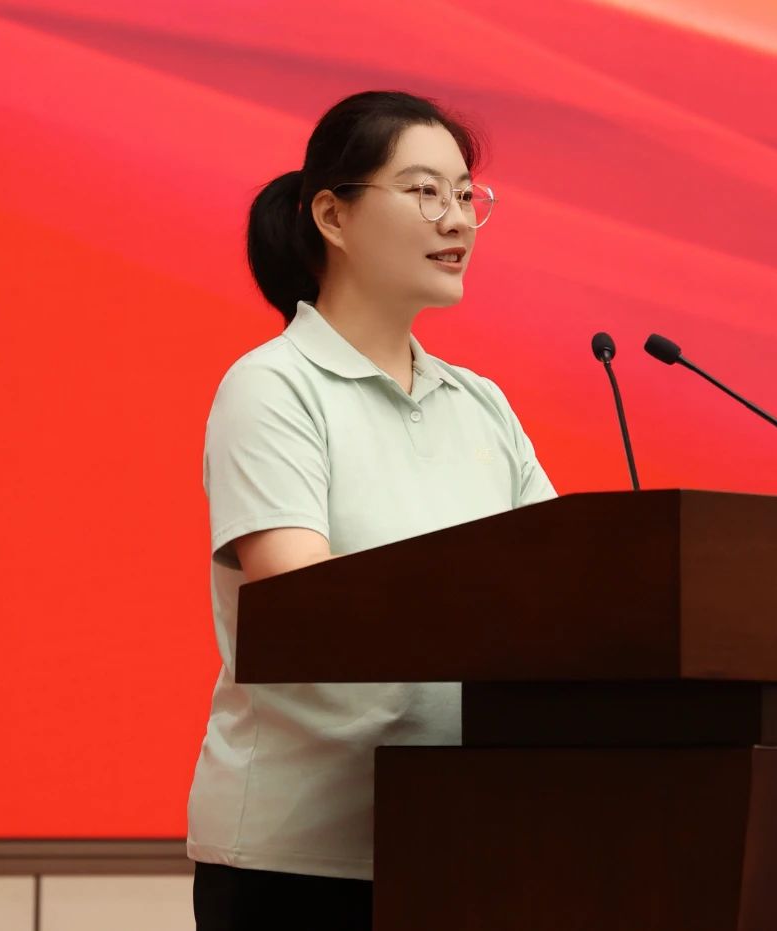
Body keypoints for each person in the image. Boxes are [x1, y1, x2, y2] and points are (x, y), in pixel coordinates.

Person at [186, 90, 556, 930]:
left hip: (462, 835)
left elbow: (569, 581)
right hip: (300, 857)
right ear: (333, 216)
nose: (456, 219)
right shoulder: (274, 387)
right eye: (424, 191)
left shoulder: (481, 404)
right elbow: (307, 605)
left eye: (465, 194)